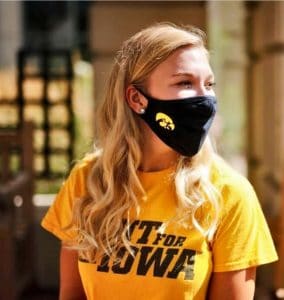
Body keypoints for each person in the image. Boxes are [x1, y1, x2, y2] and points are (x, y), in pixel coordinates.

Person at [41, 23, 278, 300]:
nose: (204, 98)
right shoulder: (88, 179)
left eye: (209, 84)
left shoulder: (228, 193)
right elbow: (72, 294)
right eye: (184, 83)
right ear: (136, 98)